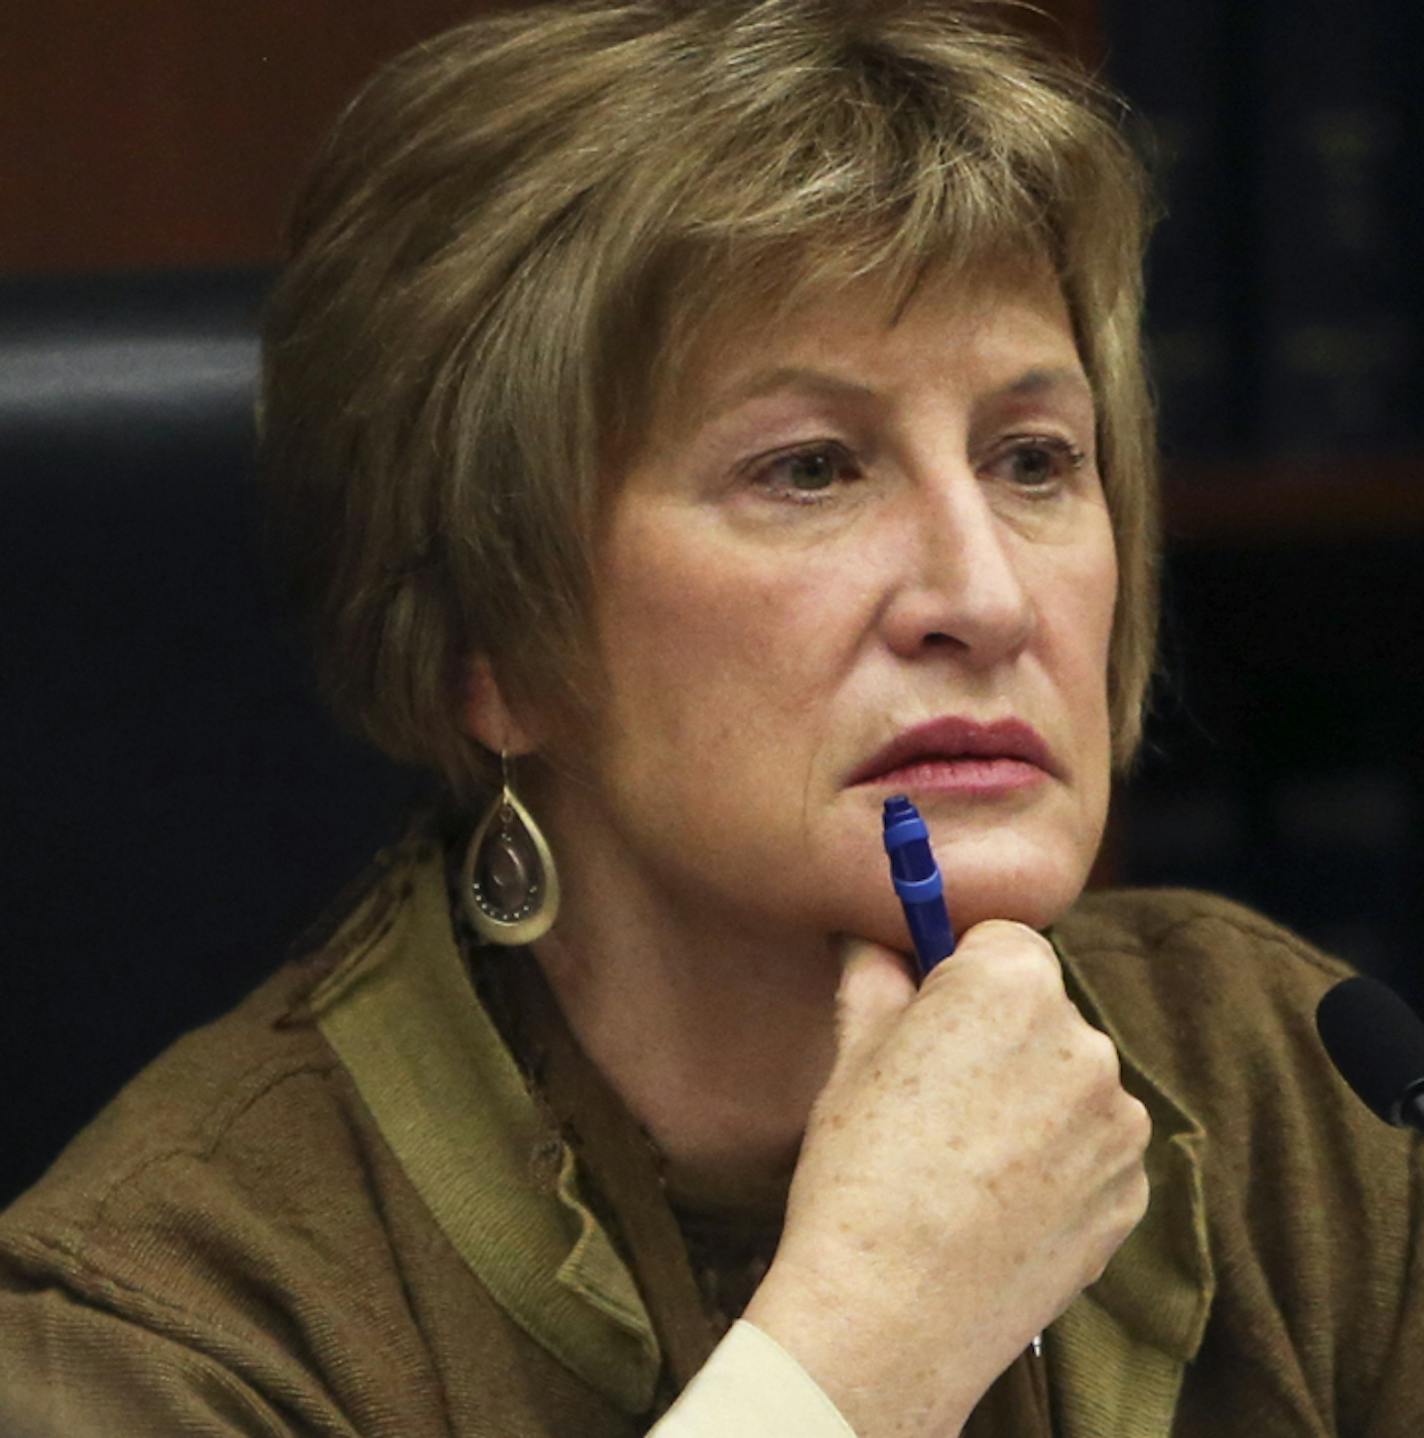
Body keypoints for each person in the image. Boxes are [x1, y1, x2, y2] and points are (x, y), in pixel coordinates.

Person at [1, 1, 1420, 1434]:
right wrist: (861, 1349)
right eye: (809, 468)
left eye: (1034, 457)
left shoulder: (1299, 1087)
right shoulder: (169, 1324)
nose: (985, 597)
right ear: (485, 645)